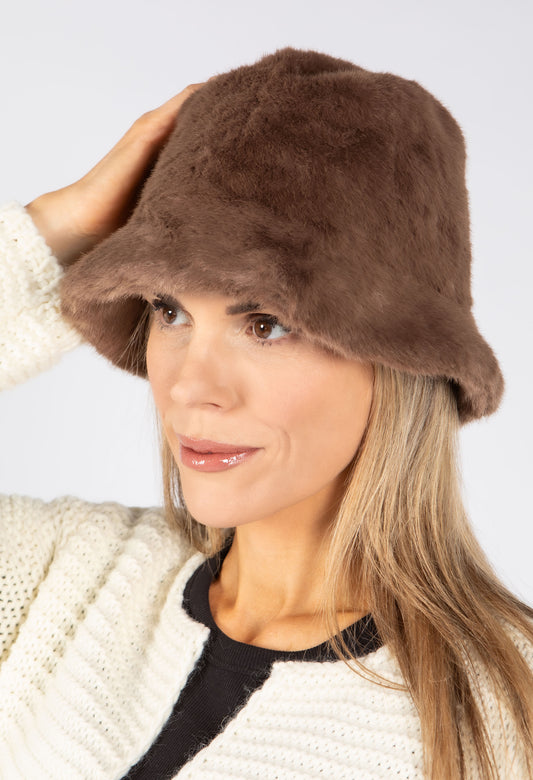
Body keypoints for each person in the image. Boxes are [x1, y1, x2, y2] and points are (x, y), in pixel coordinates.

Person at [1, 46, 532, 780]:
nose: (190, 387)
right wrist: (49, 234)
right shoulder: (65, 578)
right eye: (170, 311)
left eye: (265, 324)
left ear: (399, 361)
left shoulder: (495, 710)